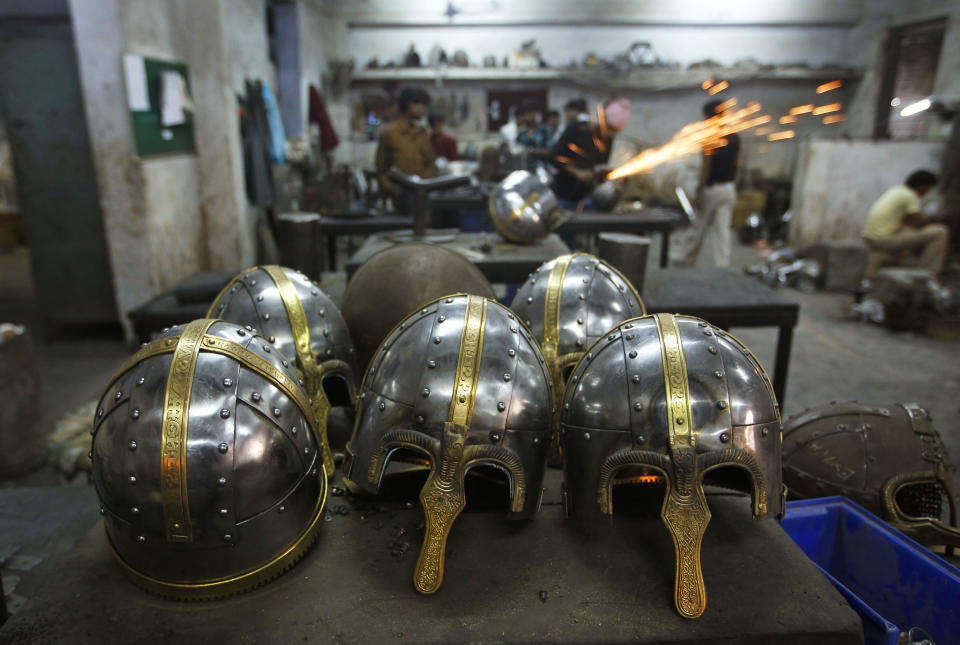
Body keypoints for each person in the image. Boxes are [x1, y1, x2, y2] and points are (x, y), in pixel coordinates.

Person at [679, 100, 740, 268]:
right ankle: (723, 265)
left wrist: (699, 191)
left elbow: (706, 166)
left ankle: (685, 260)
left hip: (711, 189)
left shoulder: (710, 137)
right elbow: (736, 164)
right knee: (723, 230)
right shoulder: (734, 137)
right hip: (728, 188)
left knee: (699, 226)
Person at [862, 170, 948, 279]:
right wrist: (936, 220)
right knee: (939, 232)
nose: (929, 192)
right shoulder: (910, 196)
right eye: (929, 188)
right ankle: (925, 276)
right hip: (883, 239)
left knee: (909, 232)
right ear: (922, 186)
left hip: (870, 237)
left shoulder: (897, 190)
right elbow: (918, 223)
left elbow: (906, 222)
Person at [549, 98, 631, 210]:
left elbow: (600, 164)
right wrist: (577, 172)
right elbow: (553, 156)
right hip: (564, 194)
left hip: (585, 198)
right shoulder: (576, 128)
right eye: (609, 128)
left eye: (614, 131)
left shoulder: (608, 139)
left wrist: (606, 175)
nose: (609, 133)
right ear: (602, 119)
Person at [375, 87, 436, 212]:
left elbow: (431, 165)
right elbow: (381, 170)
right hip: (399, 198)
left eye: (423, 104)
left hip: (422, 195)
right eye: (418, 104)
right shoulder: (390, 134)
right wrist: (393, 190)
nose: (422, 109)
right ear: (408, 105)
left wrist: (424, 185)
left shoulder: (422, 134)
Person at [514, 100, 552, 170]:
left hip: (542, 167)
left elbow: (549, 151)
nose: (528, 116)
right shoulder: (522, 131)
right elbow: (517, 148)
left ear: (536, 113)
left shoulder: (545, 130)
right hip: (524, 168)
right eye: (525, 113)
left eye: (530, 113)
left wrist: (532, 151)